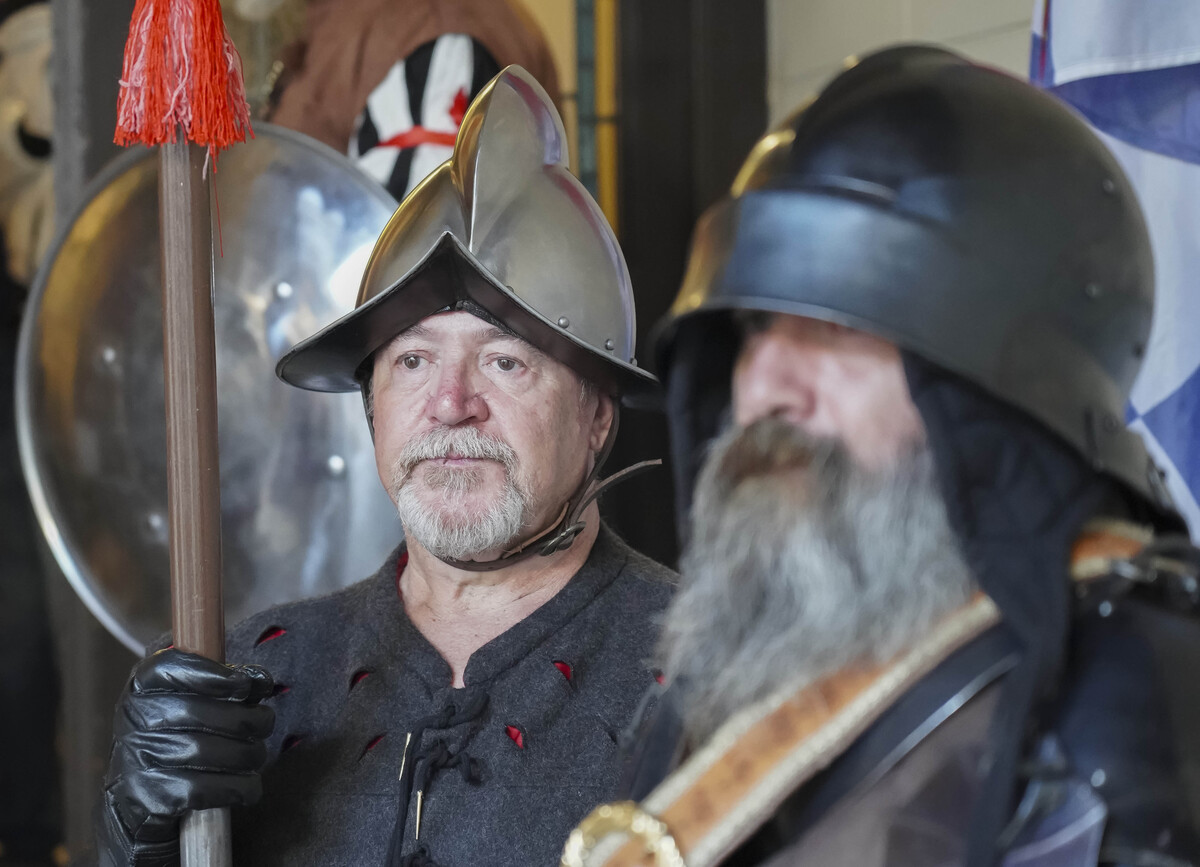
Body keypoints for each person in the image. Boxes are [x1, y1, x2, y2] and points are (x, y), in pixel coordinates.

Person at [566, 46, 1200, 867]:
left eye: (831, 325)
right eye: (754, 329)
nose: (763, 389)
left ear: (985, 383)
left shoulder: (1125, 694)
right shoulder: (741, 672)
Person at [95, 66, 674, 867]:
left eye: (506, 362)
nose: (450, 402)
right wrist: (140, 839)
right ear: (372, 409)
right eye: (411, 361)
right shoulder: (256, 680)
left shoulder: (711, 677)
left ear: (598, 415)